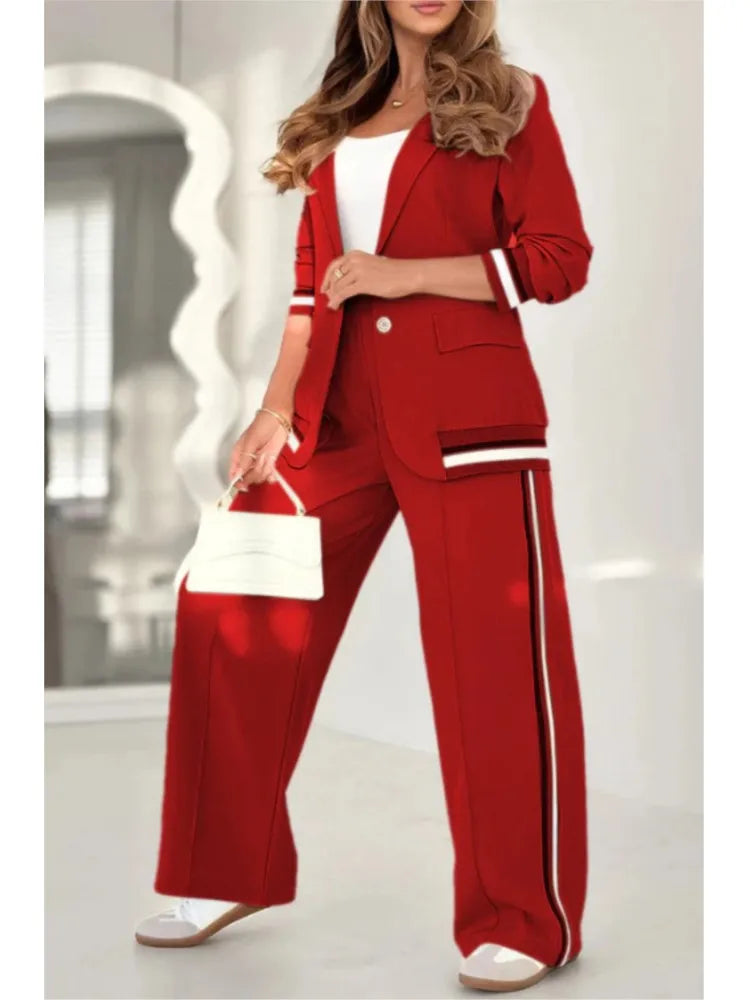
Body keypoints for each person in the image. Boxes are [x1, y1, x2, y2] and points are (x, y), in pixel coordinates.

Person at [135, 0, 594, 992]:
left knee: (492, 668)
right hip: (335, 415)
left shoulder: (512, 100)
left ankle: (525, 915)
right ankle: (226, 872)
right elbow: (313, 289)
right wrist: (273, 410)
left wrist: (403, 273)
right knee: (230, 606)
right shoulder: (341, 113)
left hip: (469, 422)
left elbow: (560, 260)